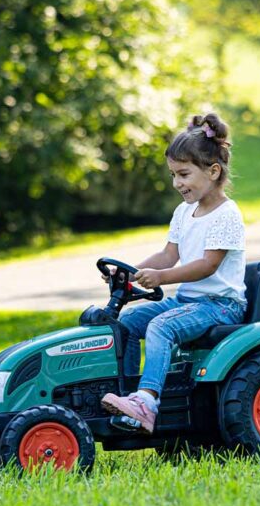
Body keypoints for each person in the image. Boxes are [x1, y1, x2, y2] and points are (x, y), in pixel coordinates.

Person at [101, 113, 247, 433]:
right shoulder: (184, 212)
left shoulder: (227, 215)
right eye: (173, 175)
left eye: (183, 174)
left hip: (220, 305)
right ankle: (129, 398)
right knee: (126, 324)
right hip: (187, 301)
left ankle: (148, 402)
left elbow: (208, 265)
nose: (177, 183)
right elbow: (169, 255)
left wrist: (162, 278)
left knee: (161, 326)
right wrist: (132, 272)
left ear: (213, 171)